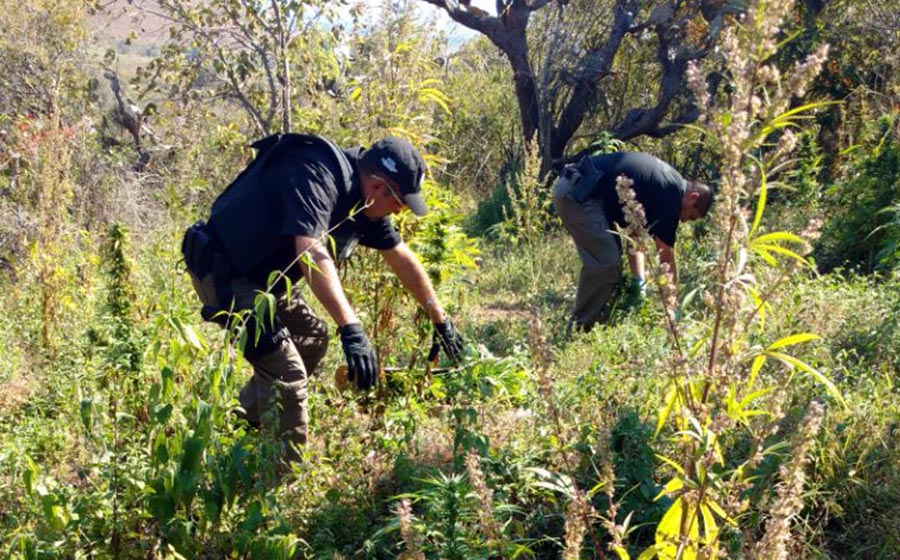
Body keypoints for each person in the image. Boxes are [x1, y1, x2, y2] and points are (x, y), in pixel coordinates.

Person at [181, 133, 465, 463]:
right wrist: (351, 328)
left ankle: (243, 426)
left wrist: (439, 319)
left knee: (311, 339)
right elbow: (311, 252)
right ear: (378, 187)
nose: (397, 214)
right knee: (286, 371)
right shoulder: (316, 173)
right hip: (225, 274)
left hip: (266, 281)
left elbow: (400, 256)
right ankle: (278, 479)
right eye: (398, 204)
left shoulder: (363, 202)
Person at [553, 151, 712, 331]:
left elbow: (635, 236)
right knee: (606, 263)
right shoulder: (671, 195)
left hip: (583, 191)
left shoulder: (664, 186)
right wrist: (673, 305)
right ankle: (579, 328)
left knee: (611, 256)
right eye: (690, 216)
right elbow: (665, 257)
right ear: (693, 198)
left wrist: (639, 282)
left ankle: (597, 318)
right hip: (577, 194)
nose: (684, 221)